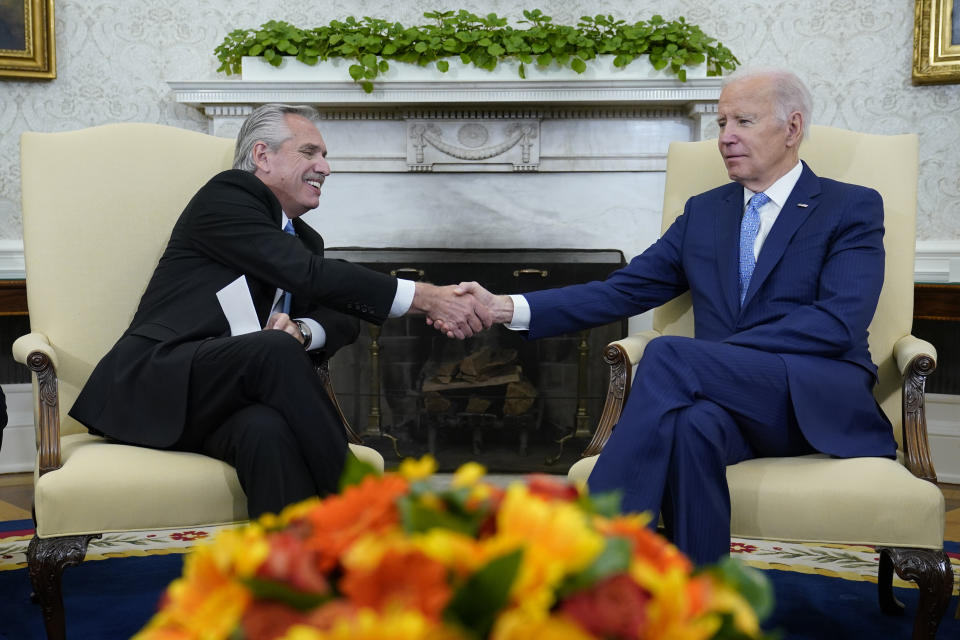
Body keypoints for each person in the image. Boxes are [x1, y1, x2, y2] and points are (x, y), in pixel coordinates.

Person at [450, 69, 897, 565]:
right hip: (722, 400)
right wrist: (503, 307)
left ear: (792, 128)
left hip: (809, 397)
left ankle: (589, 555)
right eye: (722, 121)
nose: (725, 136)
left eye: (743, 121)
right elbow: (623, 290)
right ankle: (693, 595)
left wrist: (711, 357)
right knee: (691, 426)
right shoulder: (705, 212)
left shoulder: (848, 206)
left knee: (668, 355)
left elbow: (838, 321)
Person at [69, 103, 490, 518]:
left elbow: (342, 317)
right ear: (262, 156)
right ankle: (369, 512)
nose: (325, 168)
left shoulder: (306, 241)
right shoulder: (227, 195)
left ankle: (295, 570)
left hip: (224, 402)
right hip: (158, 382)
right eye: (310, 152)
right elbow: (308, 275)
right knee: (271, 349)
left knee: (265, 432)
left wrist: (304, 331)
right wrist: (425, 297)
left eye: (325, 156)